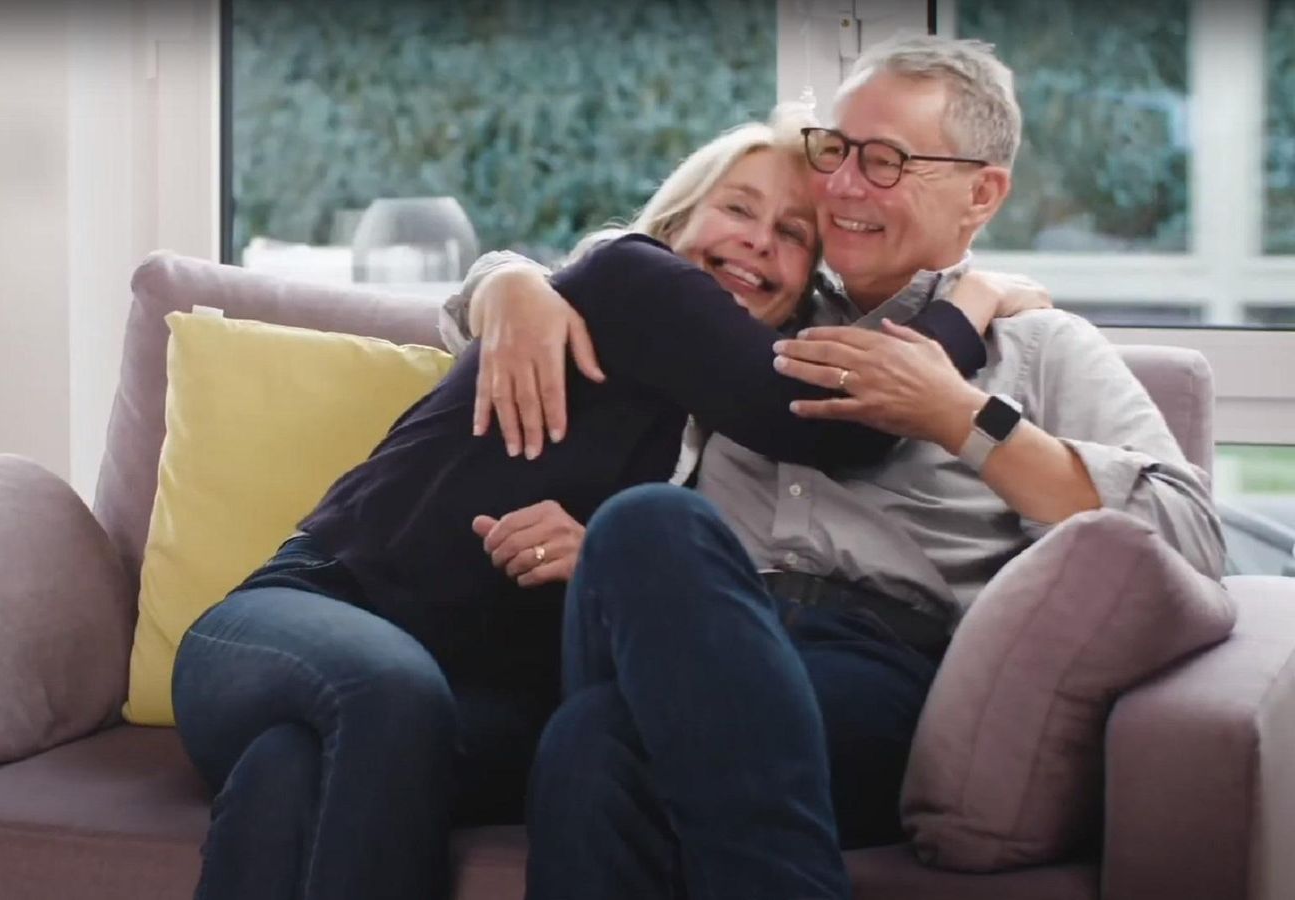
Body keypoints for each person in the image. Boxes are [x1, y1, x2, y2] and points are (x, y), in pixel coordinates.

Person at [169, 108, 1038, 900]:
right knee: (387, 694)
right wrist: (978, 296)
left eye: (792, 235)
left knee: (297, 765)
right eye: (738, 209)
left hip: (468, 701)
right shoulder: (632, 277)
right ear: (680, 218)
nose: (758, 243)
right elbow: (841, 426)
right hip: (300, 612)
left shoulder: (719, 441)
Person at [450, 35, 1225, 900]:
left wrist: (964, 419)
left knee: (591, 746)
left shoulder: (1038, 350)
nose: (844, 186)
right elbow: (614, 267)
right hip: (691, 622)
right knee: (645, 528)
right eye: (837, 151)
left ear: (982, 193)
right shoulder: (754, 297)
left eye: (886, 161)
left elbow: (1187, 539)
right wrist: (504, 279)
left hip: (872, 671)